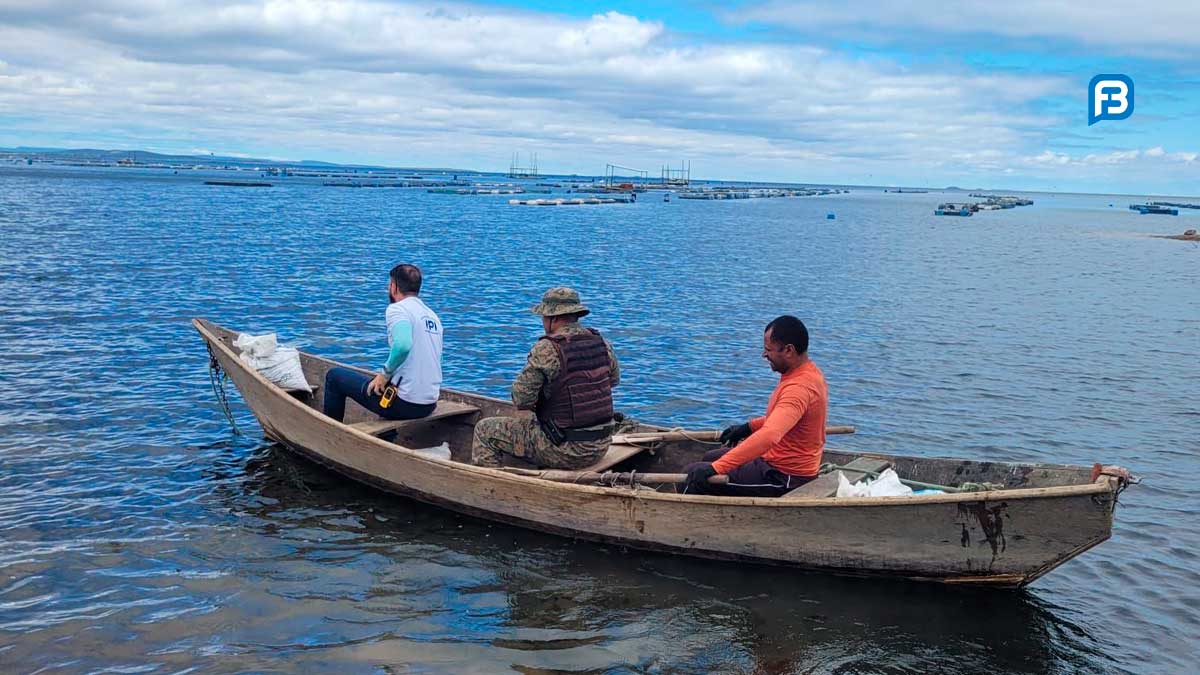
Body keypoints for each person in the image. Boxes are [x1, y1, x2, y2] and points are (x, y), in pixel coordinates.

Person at [472, 287, 620, 469]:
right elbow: (612, 381)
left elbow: (521, 398)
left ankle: (489, 486)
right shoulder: (602, 343)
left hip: (567, 451)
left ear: (553, 318)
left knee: (484, 430)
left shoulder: (547, 348)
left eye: (543, 317)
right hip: (601, 445)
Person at [683, 315, 827, 497]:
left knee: (690, 476)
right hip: (774, 462)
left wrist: (716, 468)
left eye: (769, 350)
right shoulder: (809, 373)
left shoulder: (798, 388)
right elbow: (784, 419)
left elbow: (769, 435)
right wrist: (747, 427)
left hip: (784, 477)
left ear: (789, 350)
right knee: (711, 457)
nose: (764, 355)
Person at [323, 263, 443, 423]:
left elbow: (403, 345)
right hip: (429, 403)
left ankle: (330, 434)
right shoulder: (433, 316)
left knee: (334, 377)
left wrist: (384, 375)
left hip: (405, 404)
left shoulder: (398, 309)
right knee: (388, 384)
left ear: (394, 287)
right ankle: (387, 436)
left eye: (389, 284)